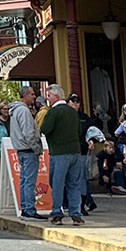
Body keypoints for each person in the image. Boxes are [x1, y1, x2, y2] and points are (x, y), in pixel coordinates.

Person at [40, 84, 87, 225]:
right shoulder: (73, 111)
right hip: (75, 151)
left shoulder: (54, 112)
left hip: (59, 152)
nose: (48, 99)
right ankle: (76, 213)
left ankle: (57, 213)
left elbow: (45, 128)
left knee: (57, 183)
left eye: (49, 96)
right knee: (74, 184)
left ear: (56, 96)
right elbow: (79, 131)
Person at [6, 85, 43, 218]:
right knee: (29, 180)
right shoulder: (24, 111)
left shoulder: (16, 110)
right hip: (28, 150)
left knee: (24, 179)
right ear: (25, 95)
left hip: (21, 149)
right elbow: (28, 132)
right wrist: (36, 147)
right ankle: (29, 208)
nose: (34, 96)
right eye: (32, 94)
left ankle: (25, 207)